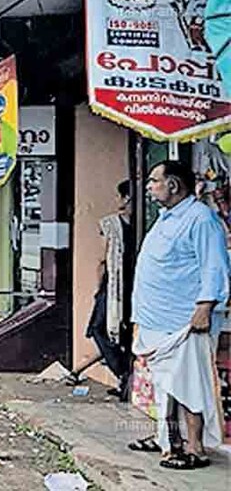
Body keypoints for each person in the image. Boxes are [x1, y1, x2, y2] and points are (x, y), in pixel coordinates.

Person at [128, 160, 229, 470]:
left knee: (189, 386)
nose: (148, 186)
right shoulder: (166, 218)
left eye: (154, 180)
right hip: (155, 319)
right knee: (165, 387)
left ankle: (195, 448)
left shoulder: (201, 219)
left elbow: (215, 266)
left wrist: (204, 307)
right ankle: (169, 441)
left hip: (184, 321)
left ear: (173, 185)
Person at [87, 180, 136, 401]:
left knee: (98, 328)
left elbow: (101, 259)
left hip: (114, 286)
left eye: (120, 196)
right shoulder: (147, 222)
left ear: (126, 198)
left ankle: (125, 375)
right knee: (125, 334)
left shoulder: (110, 224)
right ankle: (126, 378)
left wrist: (99, 288)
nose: (118, 201)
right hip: (135, 285)